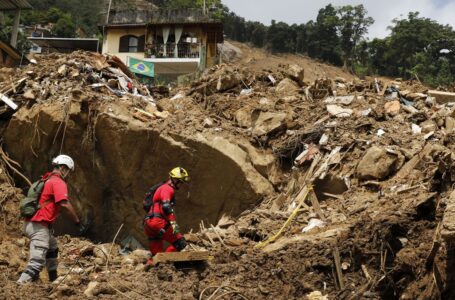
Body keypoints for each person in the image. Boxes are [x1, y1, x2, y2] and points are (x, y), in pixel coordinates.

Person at [17, 154, 83, 284]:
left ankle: (53, 278)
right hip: (38, 226)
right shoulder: (58, 182)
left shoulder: (46, 179)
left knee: (52, 247)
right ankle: (21, 284)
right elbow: (64, 204)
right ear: (63, 168)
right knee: (37, 261)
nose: (69, 174)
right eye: (69, 171)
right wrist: (77, 221)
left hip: (34, 224)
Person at [143, 167, 189, 268]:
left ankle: (151, 268)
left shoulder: (161, 188)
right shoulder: (168, 188)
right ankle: (170, 263)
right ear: (175, 179)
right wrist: (174, 225)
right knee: (180, 243)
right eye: (181, 182)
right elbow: (166, 206)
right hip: (157, 222)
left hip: (149, 224)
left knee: (157, 256)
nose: (181, 185)